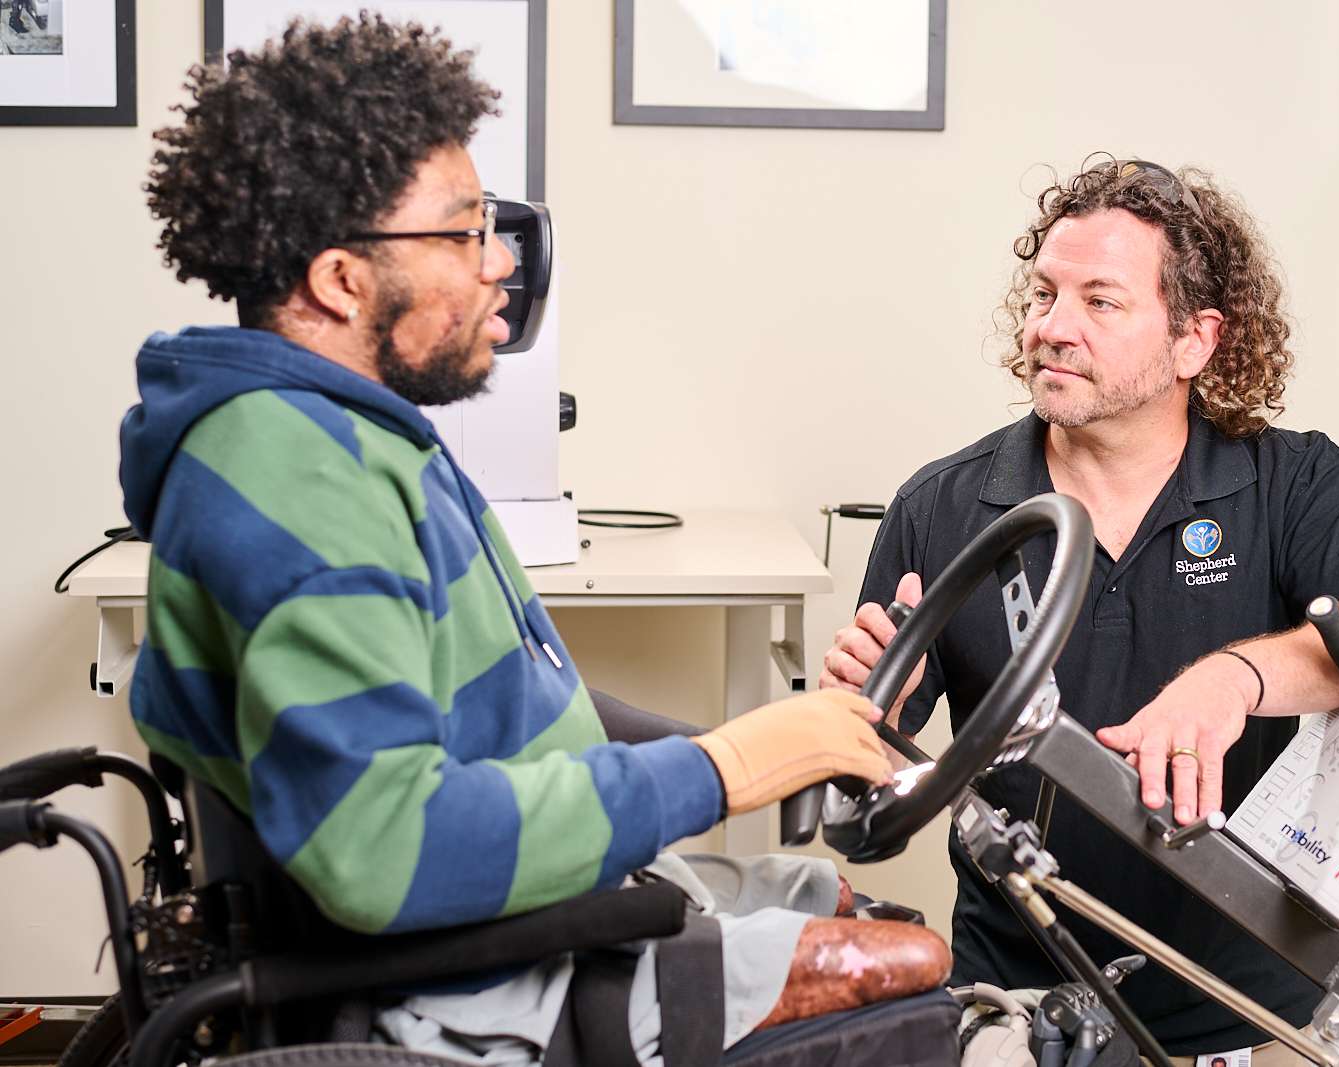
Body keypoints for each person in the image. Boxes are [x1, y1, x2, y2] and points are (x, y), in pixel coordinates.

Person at [124, 14, 948, 1063]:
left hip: (508, 920)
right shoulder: (294, 473)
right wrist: (716, 769)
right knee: (915, 968)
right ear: (340, 279)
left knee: (825, 886)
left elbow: (505, 686)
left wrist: (742, 745)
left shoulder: (346, 435)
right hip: (466, 980)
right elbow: (383, 847)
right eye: (464, 232)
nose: (499, 261)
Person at [821, 157, 1339, 1064]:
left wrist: (1236, 679)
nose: (1051, 327)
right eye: (1043, 295)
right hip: (1019, 1007)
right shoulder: (944, 508)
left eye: (1099, 301)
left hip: (1257, 1011)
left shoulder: (1286, 480)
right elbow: (870, 788)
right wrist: (868, 721)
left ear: (1194, 340)